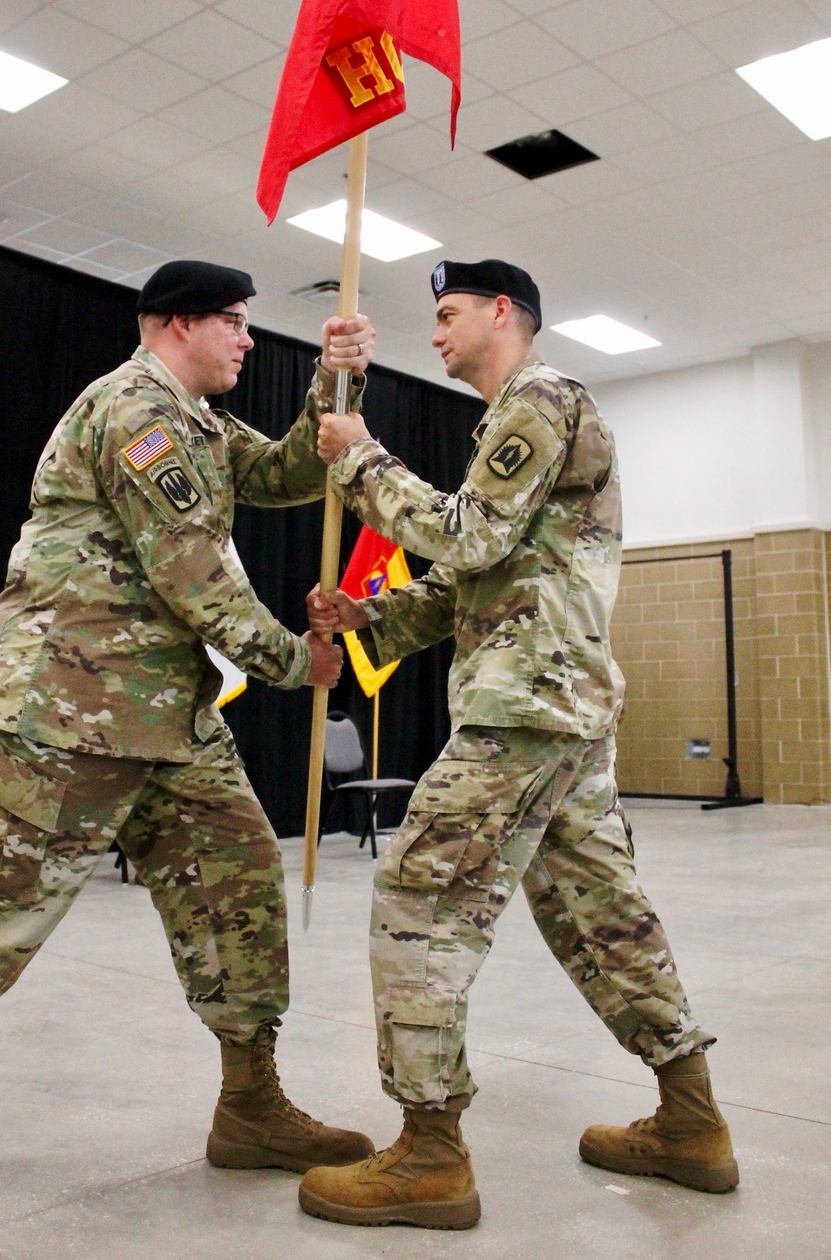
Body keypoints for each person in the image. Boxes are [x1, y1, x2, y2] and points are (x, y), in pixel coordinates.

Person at [0, 259, 377, 1216]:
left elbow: (291, 470)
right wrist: (299, 662)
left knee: (240, 894)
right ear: (175, 324)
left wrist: (337, 382)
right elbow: (196, 575)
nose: (249, 340)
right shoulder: (137, 412)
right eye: (235, 323)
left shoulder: (200, 420)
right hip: (64, 715)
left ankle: (249, 1105)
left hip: (169, 717)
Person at [299, 259, 738, 1230]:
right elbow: (470, 587)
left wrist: (361, 457)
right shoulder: (512, 420)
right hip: (558, 712)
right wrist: (364, 616)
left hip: (525, 712)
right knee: (600, 916)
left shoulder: (541, 399)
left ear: (504, 312)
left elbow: (471, 535)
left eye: (449, 314)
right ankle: (691, 1117)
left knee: (416, 898)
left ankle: (428, 1151)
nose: (438, 332)